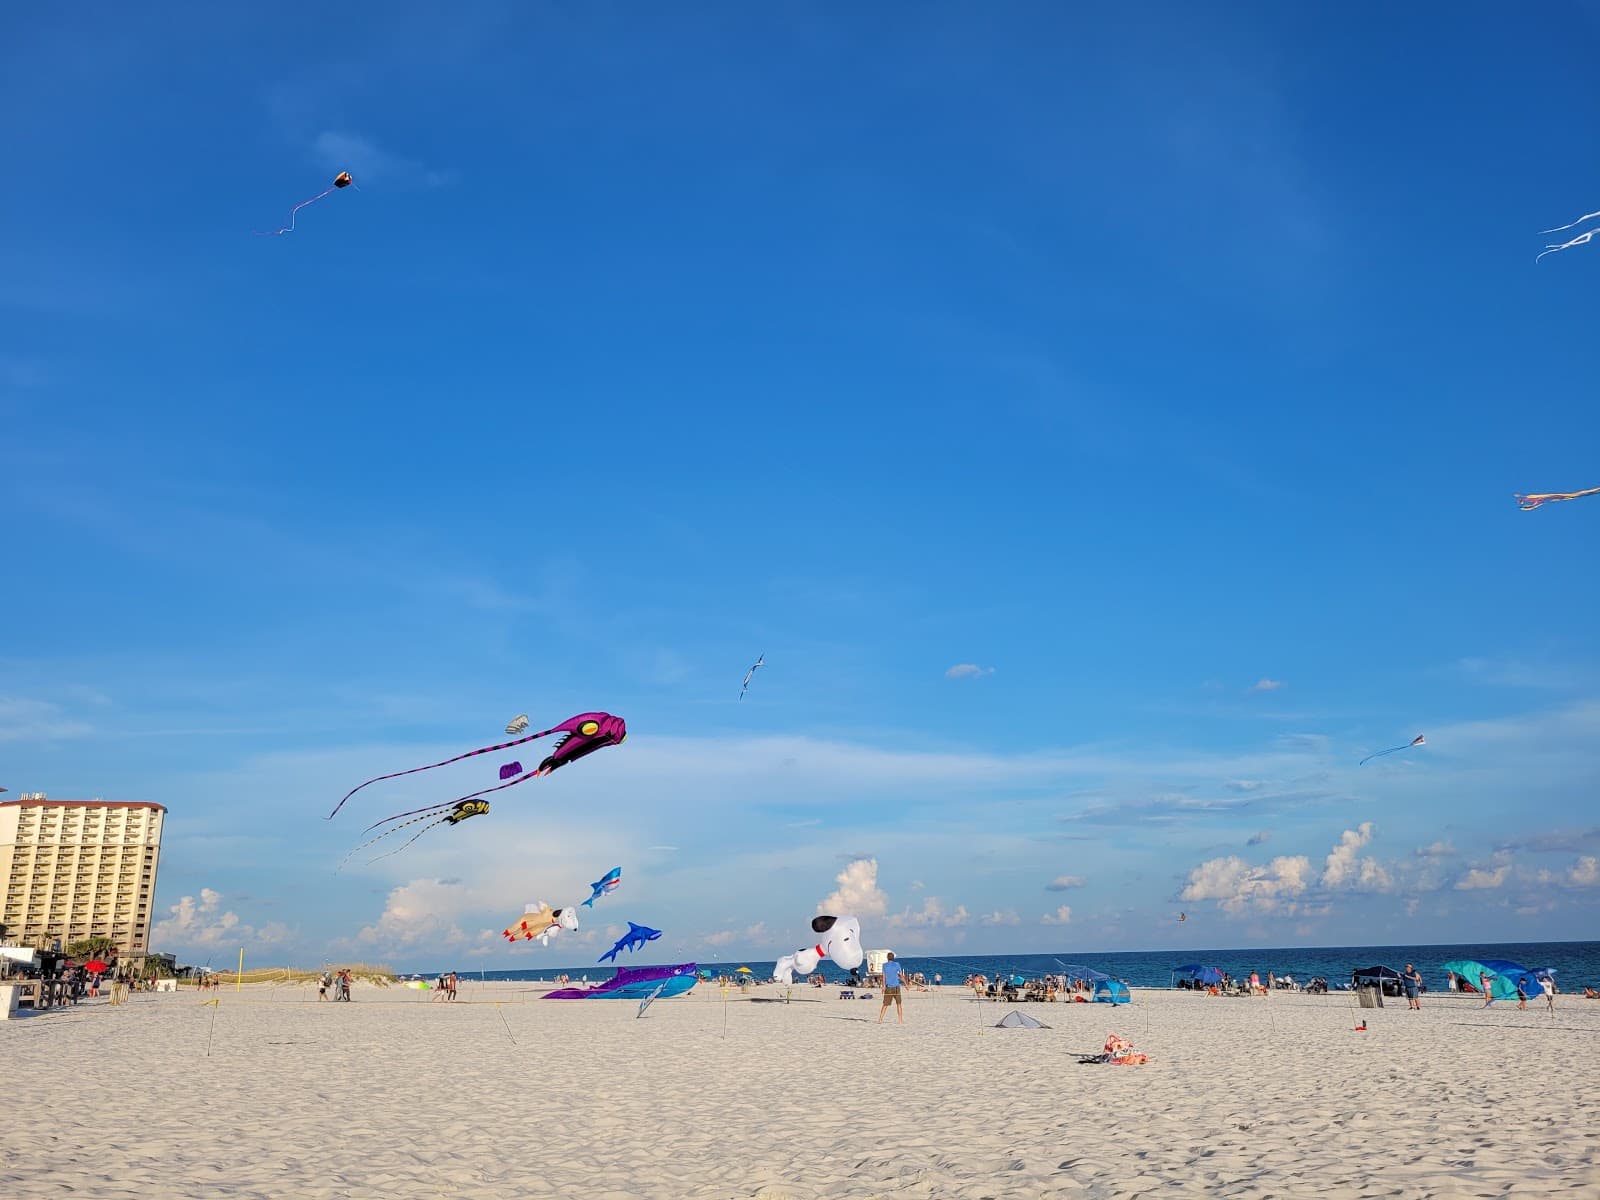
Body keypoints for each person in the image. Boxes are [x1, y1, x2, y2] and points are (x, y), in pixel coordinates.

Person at [878, 952, 904, 1024]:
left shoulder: (884, 965)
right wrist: (906, 985)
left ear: (887, 958)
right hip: (896, 987)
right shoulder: (897, 964)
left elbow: (884, 977)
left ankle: (880, 1019)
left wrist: (883, 986)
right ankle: (900, 1020)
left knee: (885, 1004)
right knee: (899, 1004)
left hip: (888, 988)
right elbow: (901, 975)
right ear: (893, 958)